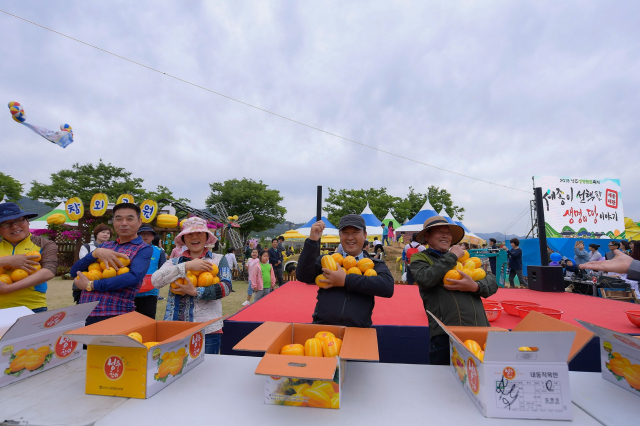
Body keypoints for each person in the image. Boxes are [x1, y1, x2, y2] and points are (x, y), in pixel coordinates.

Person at [410, 216, 498, 365]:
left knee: (481, 379)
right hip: (446, 334)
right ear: (427, 236)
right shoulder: (420, 258)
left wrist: (475, 286)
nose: (445, 235)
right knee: (443, 381)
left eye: (448, 232)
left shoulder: (465, 258)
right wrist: (452, 256)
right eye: (439, 231)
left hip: (480, 329)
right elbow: (426, 278)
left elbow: (491, 282)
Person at [151, 217, 232, 354]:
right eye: (189, 234)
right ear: (183, 239)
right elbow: (156, 281)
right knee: (175, 369)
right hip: (176, 329)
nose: (194, 237)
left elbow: (226, 287)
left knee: (206, 372)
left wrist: (196, 291)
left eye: (199, 233)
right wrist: (187, 266)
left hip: (209, 331)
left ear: (206, 236)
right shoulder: (174, 262)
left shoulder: (218, 260)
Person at [296, 214, 394, 327]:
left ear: (365, 235)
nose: (350, 237)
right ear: (340, 235)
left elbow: (387, 287)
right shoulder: (327, 260)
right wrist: (312, 241)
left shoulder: (374, 264)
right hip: (323, 328)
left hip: (358, 331)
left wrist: (345, 280)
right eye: (345, 233)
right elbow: (303, 275)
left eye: (355, 232)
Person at [71, 203, 152, 326]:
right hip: (85, 311)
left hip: (115, 312)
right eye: (119, 219)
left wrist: (91, 285)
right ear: (113, 222)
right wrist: (95, 253)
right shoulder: (105, 246)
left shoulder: (143, 248)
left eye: (130, 219)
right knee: (87, 346)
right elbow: (74, 271)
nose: (124, 223)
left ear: (139, 222)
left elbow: (133, 277)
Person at [0, 202, 58, 312]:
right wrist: (6, 260)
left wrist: (8, 289)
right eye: (5, 223)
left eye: (18, 220)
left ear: (27, 221)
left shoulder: (45, 244)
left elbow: (49, 271)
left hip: (32, 308)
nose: (14, 226)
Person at [74, 224, 114, 304]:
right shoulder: (87, 247)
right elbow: (83, 261)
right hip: (88, 278)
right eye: (103, 232)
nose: (106, 234)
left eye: (108, 233)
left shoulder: (112, 248)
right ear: (96, 234)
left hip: (106, 279)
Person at [134, 225, 166, 319]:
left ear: (153, 237)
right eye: (142, 234)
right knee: (130, 322)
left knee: (147, 320)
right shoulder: (130, 249)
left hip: (150, 292)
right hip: (131, 291)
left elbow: (163, 270)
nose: (145, 236)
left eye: (148, 234)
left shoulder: (159, 251)